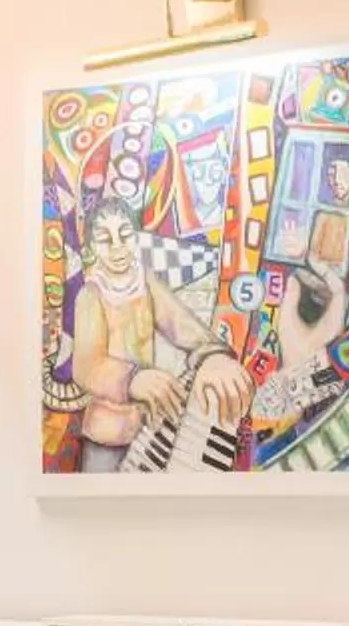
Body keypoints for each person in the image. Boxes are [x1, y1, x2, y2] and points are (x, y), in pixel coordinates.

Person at [65, 194, 252, 471]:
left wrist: (213, 356)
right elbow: (86, 367)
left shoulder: (146, 281)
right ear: (92, 247)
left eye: (125, 235)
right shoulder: (90, 295)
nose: (117, 247)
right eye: (106, 240)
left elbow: (183, 325)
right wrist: (132, 380)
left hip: (146, 433)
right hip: (106, 437)